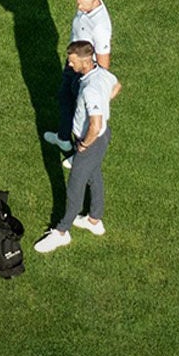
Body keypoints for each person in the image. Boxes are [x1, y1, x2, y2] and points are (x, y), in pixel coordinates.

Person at [34, 43, 121, 252]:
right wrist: (104, 101)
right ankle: (94, 220)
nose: (70, 64)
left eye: (72, 61)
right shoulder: (102, 73)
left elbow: (96, 124)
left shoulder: (91, 89)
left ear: (84, 60)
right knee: (94, 176)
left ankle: (62, 232)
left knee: (74, 187)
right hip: (100, 139)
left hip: (91, 141)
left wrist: (83, 145)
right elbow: (117, 86)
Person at [43, 0, 113, 158]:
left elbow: (104, 62)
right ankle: (63, 138)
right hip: (73, 62)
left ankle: (80, 154)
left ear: (95, 0)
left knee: (81, 111)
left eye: (83, 4)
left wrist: (97, 86)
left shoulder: (100, 27)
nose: (79, 7)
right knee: (65, 97)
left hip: (85, 71)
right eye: (78, 3)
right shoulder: (85, 8)